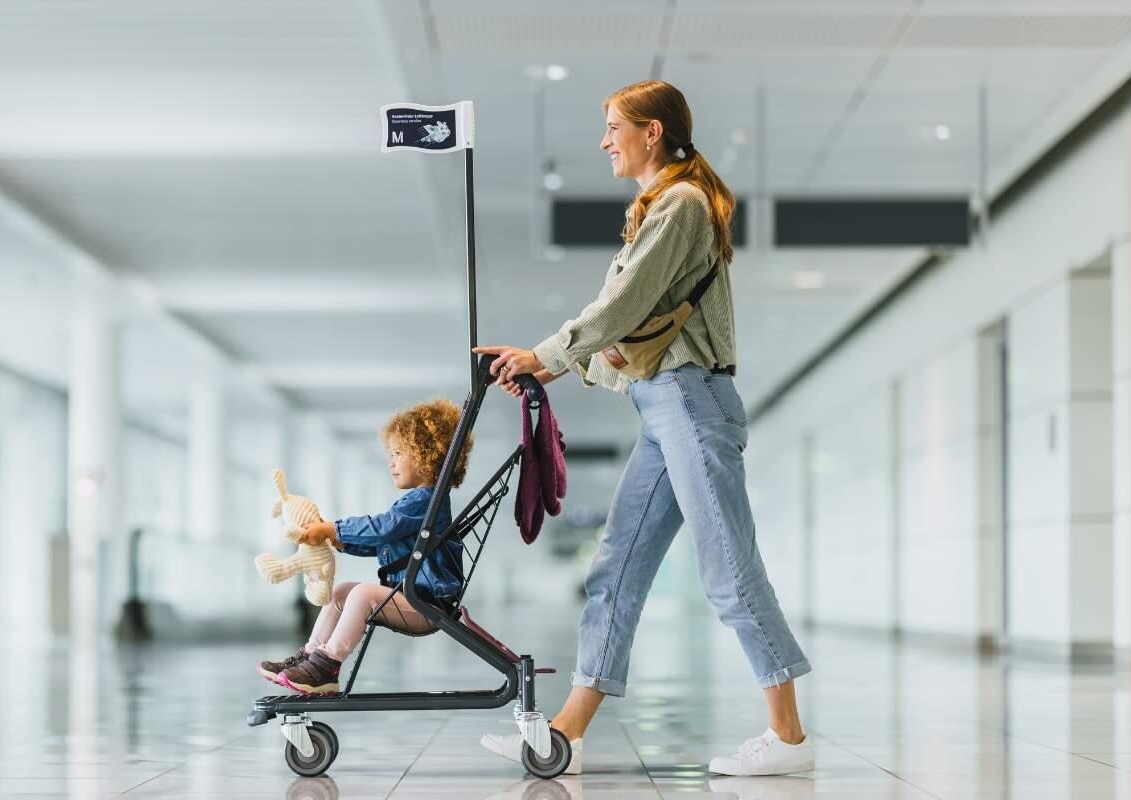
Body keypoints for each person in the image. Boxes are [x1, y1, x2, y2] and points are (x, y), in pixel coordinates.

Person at [474, 80, 814, 778]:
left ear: (651, 132)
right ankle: (564, 735)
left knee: (728, 570)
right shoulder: (662, 208)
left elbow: (621, 306)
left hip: (693, 405)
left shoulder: (682, 205)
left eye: (612, 128)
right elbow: (627, 344)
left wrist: (545, 354)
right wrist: (546, 368)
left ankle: (789, 740)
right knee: (615, 569)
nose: (604, 141)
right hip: (663, 407)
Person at [257, 398, 472, 695]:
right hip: (412, 598)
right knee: (340, 592)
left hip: (428, 605)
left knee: (362, 593)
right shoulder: (423, 501)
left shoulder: (425, 500)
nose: (391, 462)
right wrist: (337, 539)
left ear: (427, 457)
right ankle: (311, 656)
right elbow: (385, 541)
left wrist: (333, 528)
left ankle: (326, 665)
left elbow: (383, 526)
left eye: (398, 453)